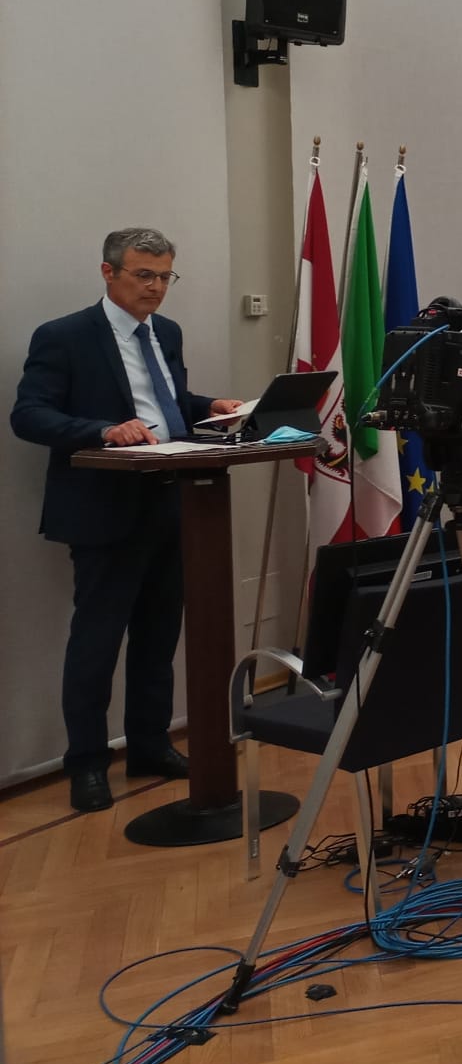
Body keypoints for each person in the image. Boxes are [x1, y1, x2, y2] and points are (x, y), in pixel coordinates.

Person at [10, 228, 242, 813]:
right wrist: (101, 430)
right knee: (97, 640)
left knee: (158, 637)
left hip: (175, 500)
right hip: (105, 507)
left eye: (165, 276)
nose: (156, 288)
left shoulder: (167, 332)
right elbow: (29, 414)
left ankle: (149, 745)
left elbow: (165, 405)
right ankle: (87, 764)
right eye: (144, 275)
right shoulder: (65, 336)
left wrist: (209, 407)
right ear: (109, 272)